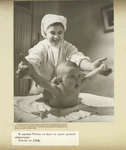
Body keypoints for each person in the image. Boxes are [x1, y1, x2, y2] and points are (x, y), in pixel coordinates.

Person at [16, 14, 108, 95]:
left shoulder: (67, 47)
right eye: (52, 33)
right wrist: (28, 66)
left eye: (60, 33)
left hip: (61, 90)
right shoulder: (41, 47)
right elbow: (33, 58)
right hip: (41, 89)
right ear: (45, 32)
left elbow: (77, 58)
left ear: (64, 32)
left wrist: (91, 66)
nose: (56, 36)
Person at [19, 54, 114, 117]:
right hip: (51, 96)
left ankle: (54, 80)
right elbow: (43, 83)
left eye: (79, 76)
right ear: (60, 80)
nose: (77, 79)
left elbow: (88, 78)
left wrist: (99, 69)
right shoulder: (57, 90)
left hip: (60, 87)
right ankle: (53, 81)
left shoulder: (78, 87)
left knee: (51, 85)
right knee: (47, 90)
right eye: (72, 77)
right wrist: (31, 73)